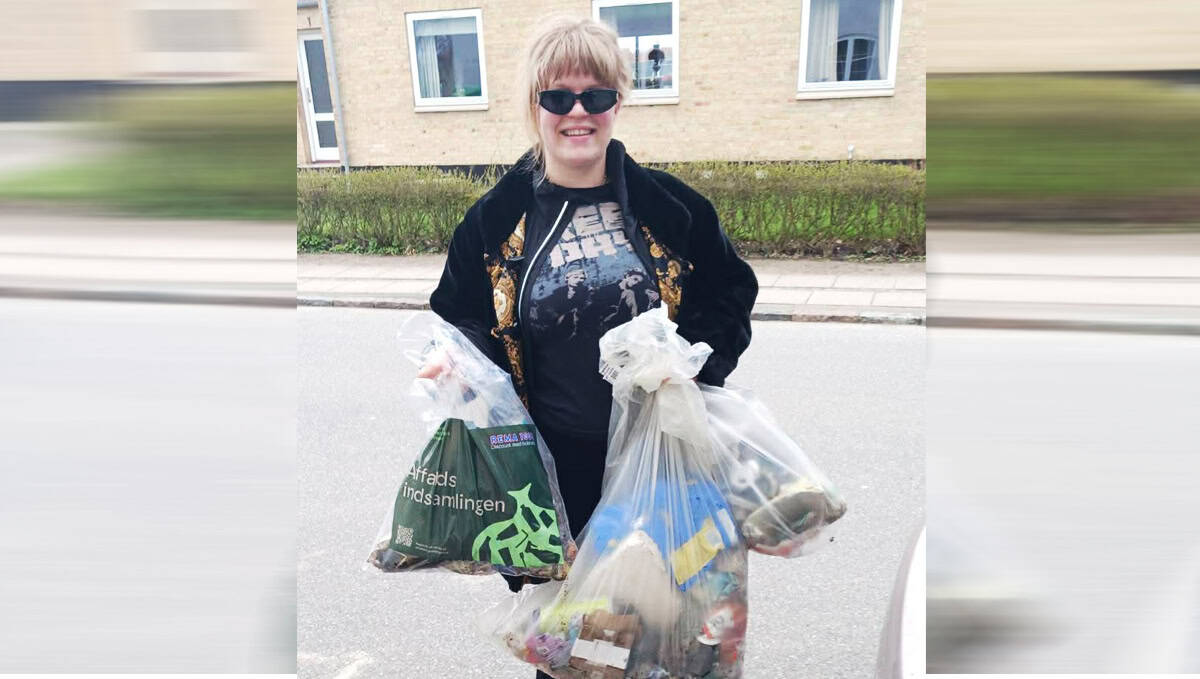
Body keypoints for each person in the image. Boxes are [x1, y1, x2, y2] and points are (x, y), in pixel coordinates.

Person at [425, 13, 757, 627]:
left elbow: (730, 292)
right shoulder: (494, 221)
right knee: (567, 645)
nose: (577, 112)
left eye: (596, 96)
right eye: (558, 97)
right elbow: (460, 314)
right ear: (534, 105)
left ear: (617, 103)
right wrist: (457, 360)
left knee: (670, 633)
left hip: (663, 460)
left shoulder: (673, 207)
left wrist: (692, 361)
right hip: (555, 474)